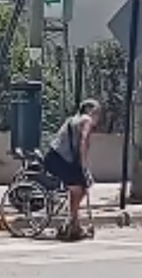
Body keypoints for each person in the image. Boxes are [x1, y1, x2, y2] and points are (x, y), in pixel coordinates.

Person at [43, 98, 101, 240]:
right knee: (77, 189)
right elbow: (83, 141)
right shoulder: (86, 120)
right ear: (91, 111)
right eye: (97, 113)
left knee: (81, 188)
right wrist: (84, 165)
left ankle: (73, 222)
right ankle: (73, 223)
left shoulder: (73, 119)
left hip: (55, 157)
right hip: (60, 160)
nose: (98, 118)